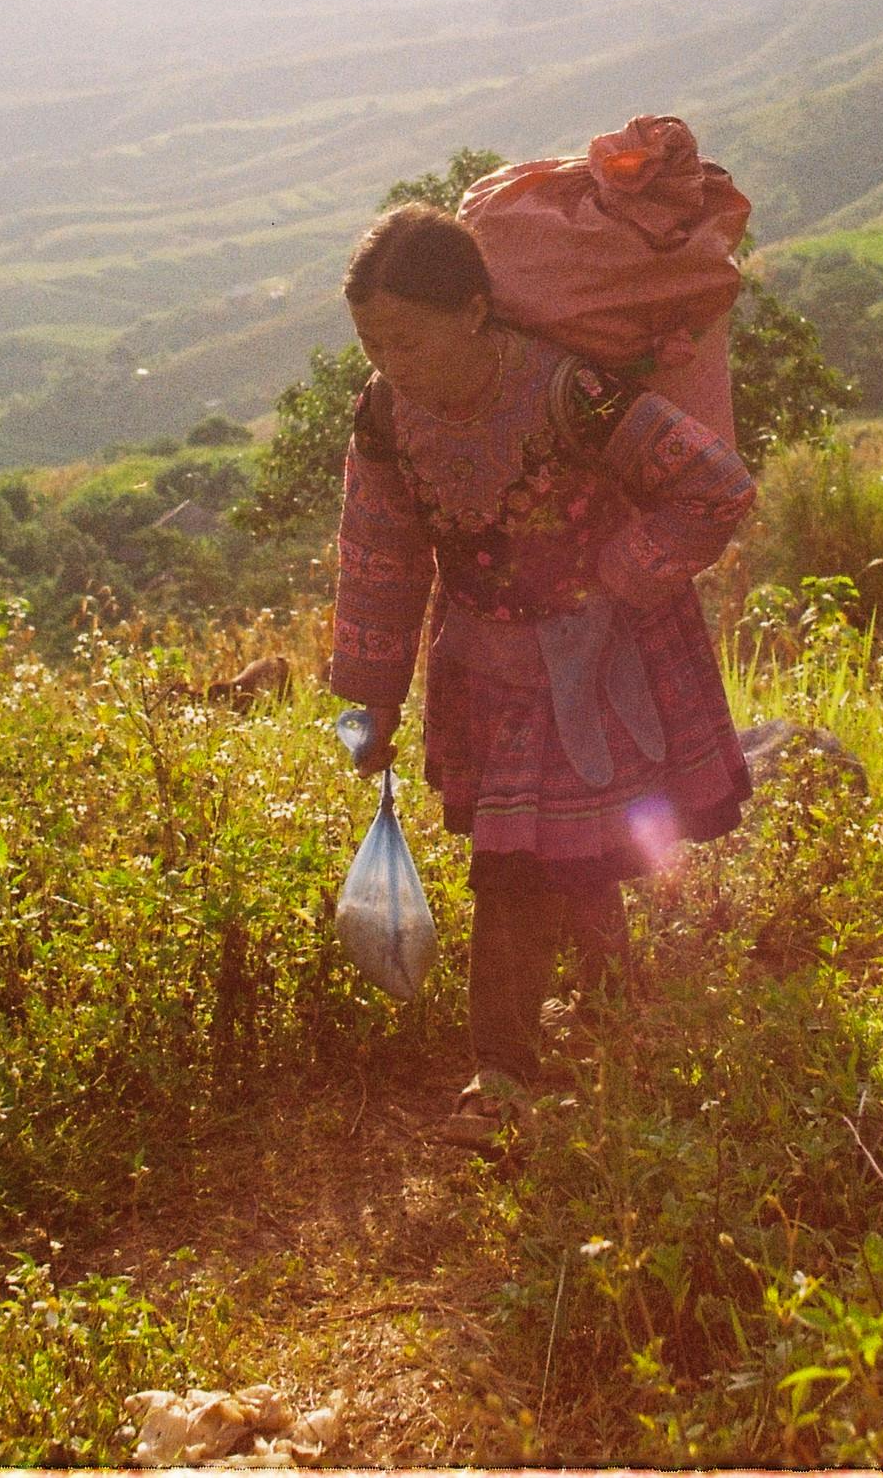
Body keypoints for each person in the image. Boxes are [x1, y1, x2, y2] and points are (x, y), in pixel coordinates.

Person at [323, 202, 758, 1146]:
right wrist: (373, 698)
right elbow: (379, 557)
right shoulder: (385, 418)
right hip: (493, 674)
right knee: (552, 858)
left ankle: (504, 1078)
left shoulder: (573, 393)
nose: (389, 362)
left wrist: (622, 571)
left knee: (525, 869)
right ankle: (613, 1030)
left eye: (405, 337)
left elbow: (715, 486)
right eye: (371, 341)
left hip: (602, 665)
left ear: (476, 312)